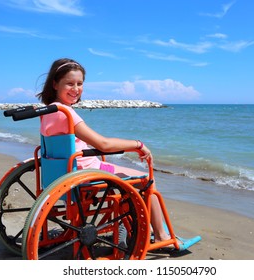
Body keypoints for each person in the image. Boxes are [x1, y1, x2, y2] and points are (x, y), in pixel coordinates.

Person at [36, 58, 170, 243]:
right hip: (85, 172)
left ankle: (132, 224)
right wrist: (137, 145)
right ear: (55, 84)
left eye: (79, 83)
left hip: (62, 172)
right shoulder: (66, 113)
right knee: (147, 179)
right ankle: (162, 236)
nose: (76, 89)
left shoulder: (47, 111)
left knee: (124, 173)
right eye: (70, 83)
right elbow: (103, 144)